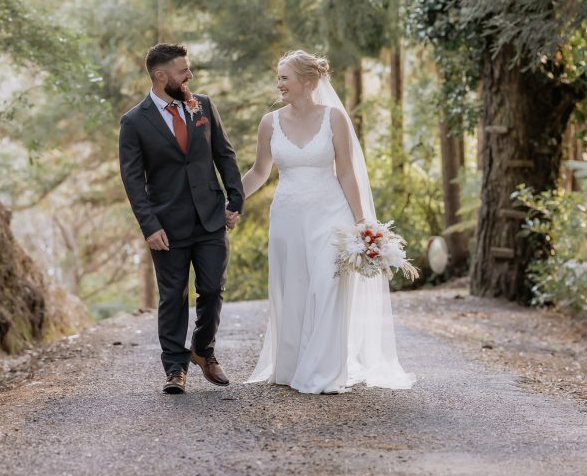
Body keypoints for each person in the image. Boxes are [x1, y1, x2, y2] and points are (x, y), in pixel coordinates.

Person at [242, 50, 416, 394]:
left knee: (327, 285)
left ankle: (322, 373)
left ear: (308, 82)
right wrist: (228, 202)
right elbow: (260, 172)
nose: (279, 84)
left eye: (284, 78)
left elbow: (347, 173)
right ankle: (292, 367)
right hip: (288, 218)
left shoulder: (334, 118)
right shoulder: (270, 122)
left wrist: (364, 223)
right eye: (278, 77)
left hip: (330, 215)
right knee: (294, 291)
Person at [118, 43, 244, 394]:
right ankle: (175, 368)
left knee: (212, 288)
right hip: (166, 227)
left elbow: (224, 152)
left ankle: (203, 351)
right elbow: (132, 180)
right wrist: (149, 226)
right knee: (173, 296)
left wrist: (235, 197)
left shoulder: (202, 105)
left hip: (209, 218)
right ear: (161, 77)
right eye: (182, 70)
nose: (189, 75)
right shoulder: (133, 122)